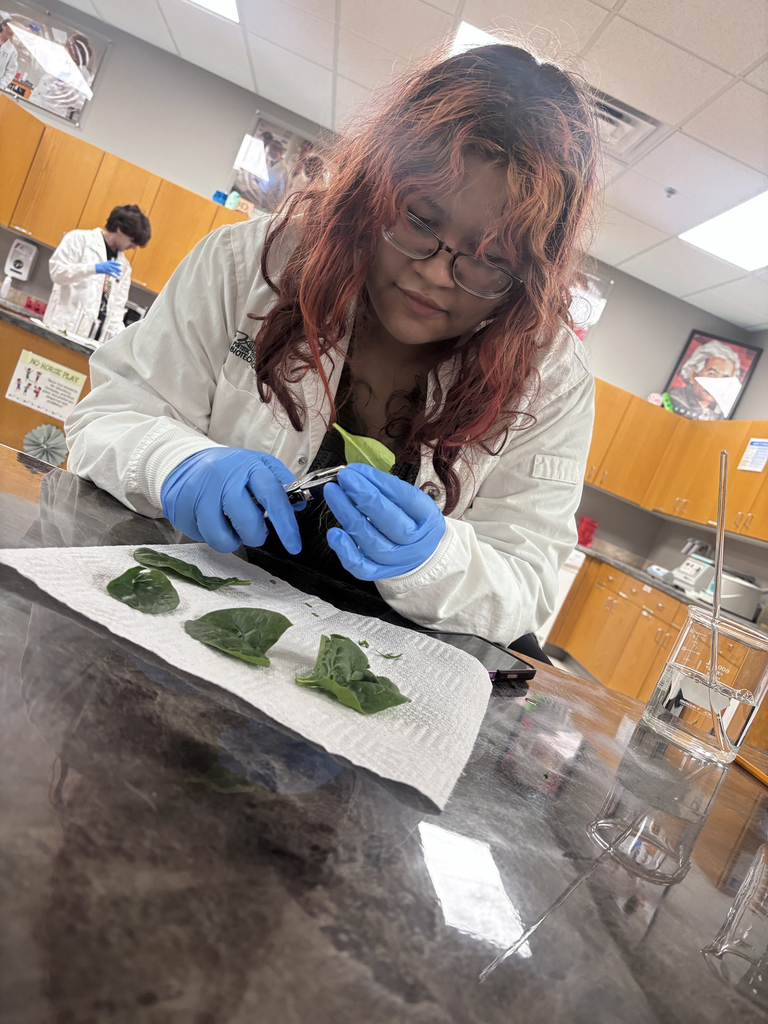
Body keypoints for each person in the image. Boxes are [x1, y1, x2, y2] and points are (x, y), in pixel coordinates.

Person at [65, 44, 598, 647]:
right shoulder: (250, 264)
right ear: (373, 191)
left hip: (376, 673)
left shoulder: (550, 376)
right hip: (181, 621)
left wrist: (438, 559)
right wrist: (177, 464)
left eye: (489, 259)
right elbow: (109, 418)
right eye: (420, 220)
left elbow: (525, 582)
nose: (434, 273)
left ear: (529, 273)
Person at [45, 204, 151, 341]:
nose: (134, 247)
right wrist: (93, 268)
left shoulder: (124, 266)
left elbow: (117, 307)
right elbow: (57, 273)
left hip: (96, 339)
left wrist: (118, 336)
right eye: (132, 241)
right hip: (64, 328)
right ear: (120, 229)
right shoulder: (78, 239)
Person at [667, 340, 740, 420]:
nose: (717, 384)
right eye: (711, 374)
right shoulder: (673, 400)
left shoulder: (721, 414)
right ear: (693, 375)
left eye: (725, 379)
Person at [29, 32, 93, 121]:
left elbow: (80, 103)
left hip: (52, 113)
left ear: (79, 50)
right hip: (34, 102)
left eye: (70, 45)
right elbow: (43, 79)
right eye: (67, 44)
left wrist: (64, 89)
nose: (66, 47)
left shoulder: (83, 74)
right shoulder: (58, 61)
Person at [0, 13, 18, 91]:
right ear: (3, 26)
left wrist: (2, 85)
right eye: (11, 27)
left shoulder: (12, 51)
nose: (13, 31)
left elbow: (11, 71)